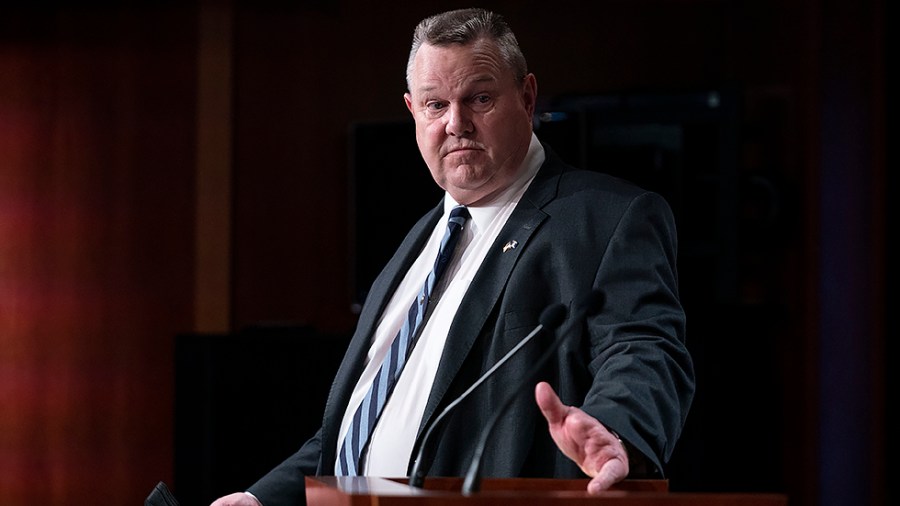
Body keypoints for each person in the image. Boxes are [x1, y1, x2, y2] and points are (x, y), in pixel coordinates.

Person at [211, 8, 694, 506]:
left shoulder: (607, 219)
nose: (456, 123)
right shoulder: (419, 242)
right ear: (412, 111)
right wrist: (261, 498)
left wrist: (618, 428)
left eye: (479, 99)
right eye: (435, 105)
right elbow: (362, 424)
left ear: (527, 97)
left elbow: (642, 347)